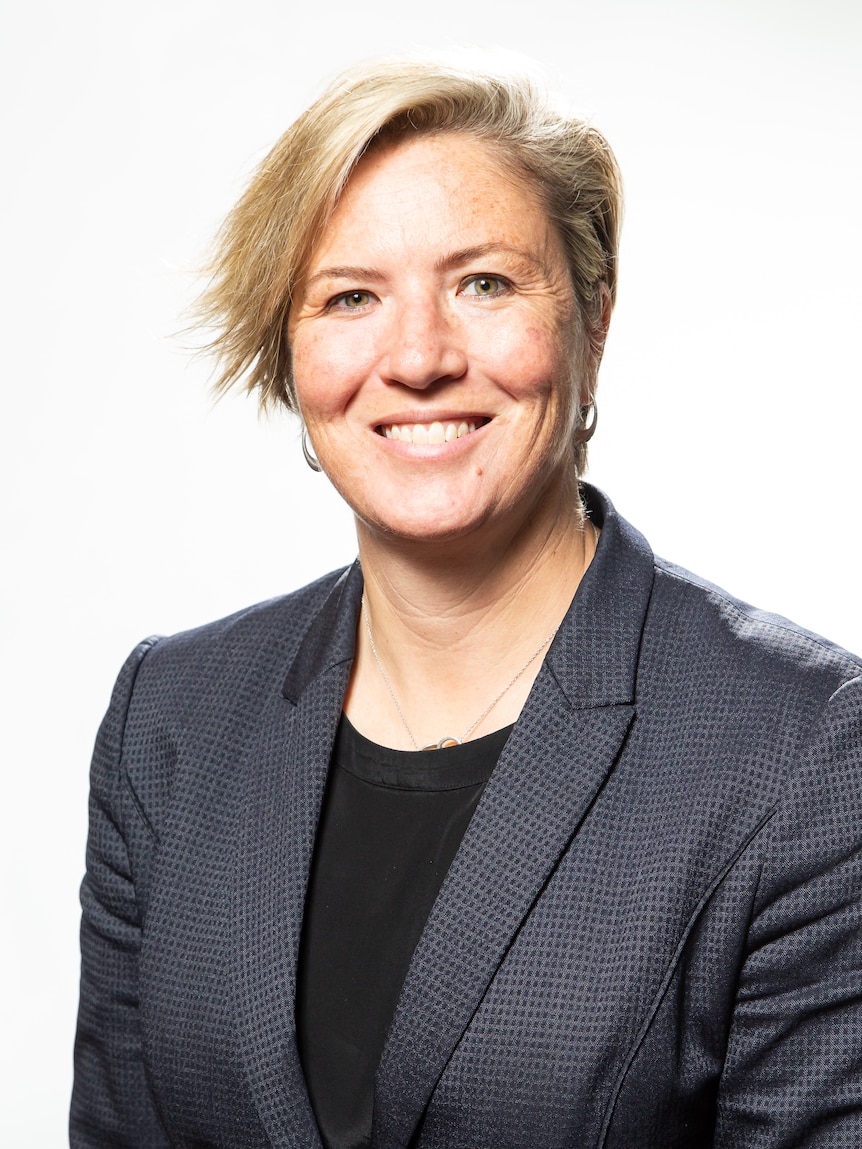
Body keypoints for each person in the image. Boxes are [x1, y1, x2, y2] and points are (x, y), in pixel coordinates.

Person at [71, 57, 862, 1149]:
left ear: (591, 317)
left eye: (483, 284)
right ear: (288, 357)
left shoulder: (799, 748)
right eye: (350, 297)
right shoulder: (169, 720)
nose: (418, 357)